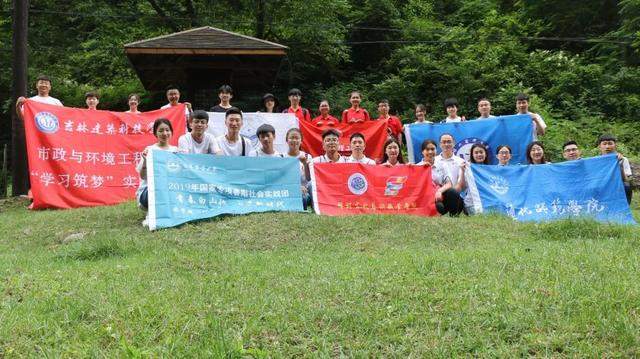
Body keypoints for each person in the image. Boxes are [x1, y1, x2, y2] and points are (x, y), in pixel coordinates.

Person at [136, 118, 180, 211]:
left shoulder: (176, 151)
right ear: (155, 133)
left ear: (171, 132)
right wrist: (145, 161)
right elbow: (143, 176)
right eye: (161, 131)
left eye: (167, 130)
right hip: (149, 191)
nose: (164, 133)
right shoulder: (149, 150)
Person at [416, 139, 464, 216]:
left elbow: (449, 184)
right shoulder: (417, 167)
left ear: (436, 150)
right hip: (425, 198)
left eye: (432, 149)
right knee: (439, 207)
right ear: (422, 152)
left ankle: (453, 216)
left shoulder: (442, 164)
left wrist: (439, 191)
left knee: (453, 192)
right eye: (427, 149)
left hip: (439, 195)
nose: (430, 152)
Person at [598, 134, 633, 204]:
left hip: (617, 185)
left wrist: (620, 166)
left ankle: (625, 208)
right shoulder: (596, 161)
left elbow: (626, 180)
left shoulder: (623, 159)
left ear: (615, 145)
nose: (607, 146)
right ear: (599, 146)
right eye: (604, 144)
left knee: (627, 186)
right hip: (601, 186)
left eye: (610, 144)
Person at [285, 128, 312, 209]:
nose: (294, 140)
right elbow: (281, 179)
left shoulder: (307, 157)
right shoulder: (281, 157)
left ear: (301, 141)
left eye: (297, 138)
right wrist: (296, 187)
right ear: (287, 140)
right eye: (291, 138)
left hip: (304, 191)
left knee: (303, 198)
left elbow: (309, 179)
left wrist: (305, 164)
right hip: (287, 190)